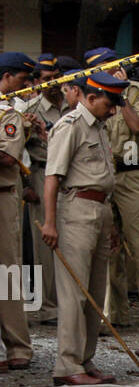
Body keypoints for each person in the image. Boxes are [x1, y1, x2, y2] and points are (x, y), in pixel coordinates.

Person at [41, 70, 129, 386]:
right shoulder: (70, 126)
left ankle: (85, 359)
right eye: (109, 103)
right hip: (76, 210)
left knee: (94, 291)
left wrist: (113, 223)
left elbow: (105, 178)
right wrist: (50, 222)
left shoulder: (100, 127)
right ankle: (67, 365)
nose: (114, 109)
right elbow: (53, 177)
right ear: (90, 98)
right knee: (73, 293)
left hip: (101, 209)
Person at [81, 47, 139, 333]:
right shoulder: (92, 94)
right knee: (108, 245)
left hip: (133, 175)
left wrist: (121, 95)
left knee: (138, 241)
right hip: (104, 173)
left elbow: (137, 125)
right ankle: (113, 313)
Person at [0, 52, 38, 372]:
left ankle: (18, 346)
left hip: (2, 198)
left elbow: (9, 158)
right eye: (22, 81)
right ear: (7, 77)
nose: (24, 88)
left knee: (7, 273)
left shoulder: (8, 115)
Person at [22, 54, 64, 323]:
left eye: (56, 78)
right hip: (40, 174)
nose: (53, 83)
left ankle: (66, 303)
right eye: (47, 79)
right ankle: (48, 306)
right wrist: (25, 184)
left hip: (68, 180)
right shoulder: (31, 108)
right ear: (36, 81)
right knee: (44, 245)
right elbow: (18, 150)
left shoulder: (72, 105)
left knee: (70, 239)